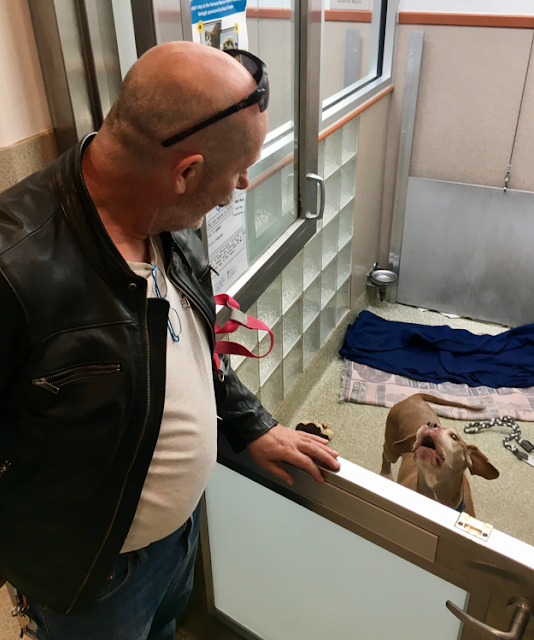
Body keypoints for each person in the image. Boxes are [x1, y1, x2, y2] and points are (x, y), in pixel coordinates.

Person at [0, 41, 340, 639]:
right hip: (95, 582)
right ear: (185, 172)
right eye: (237, 171)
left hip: (177, 542)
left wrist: (250, 424)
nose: (240, 187)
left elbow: (186, 350)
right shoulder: (14, 268)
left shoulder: (167, 220)